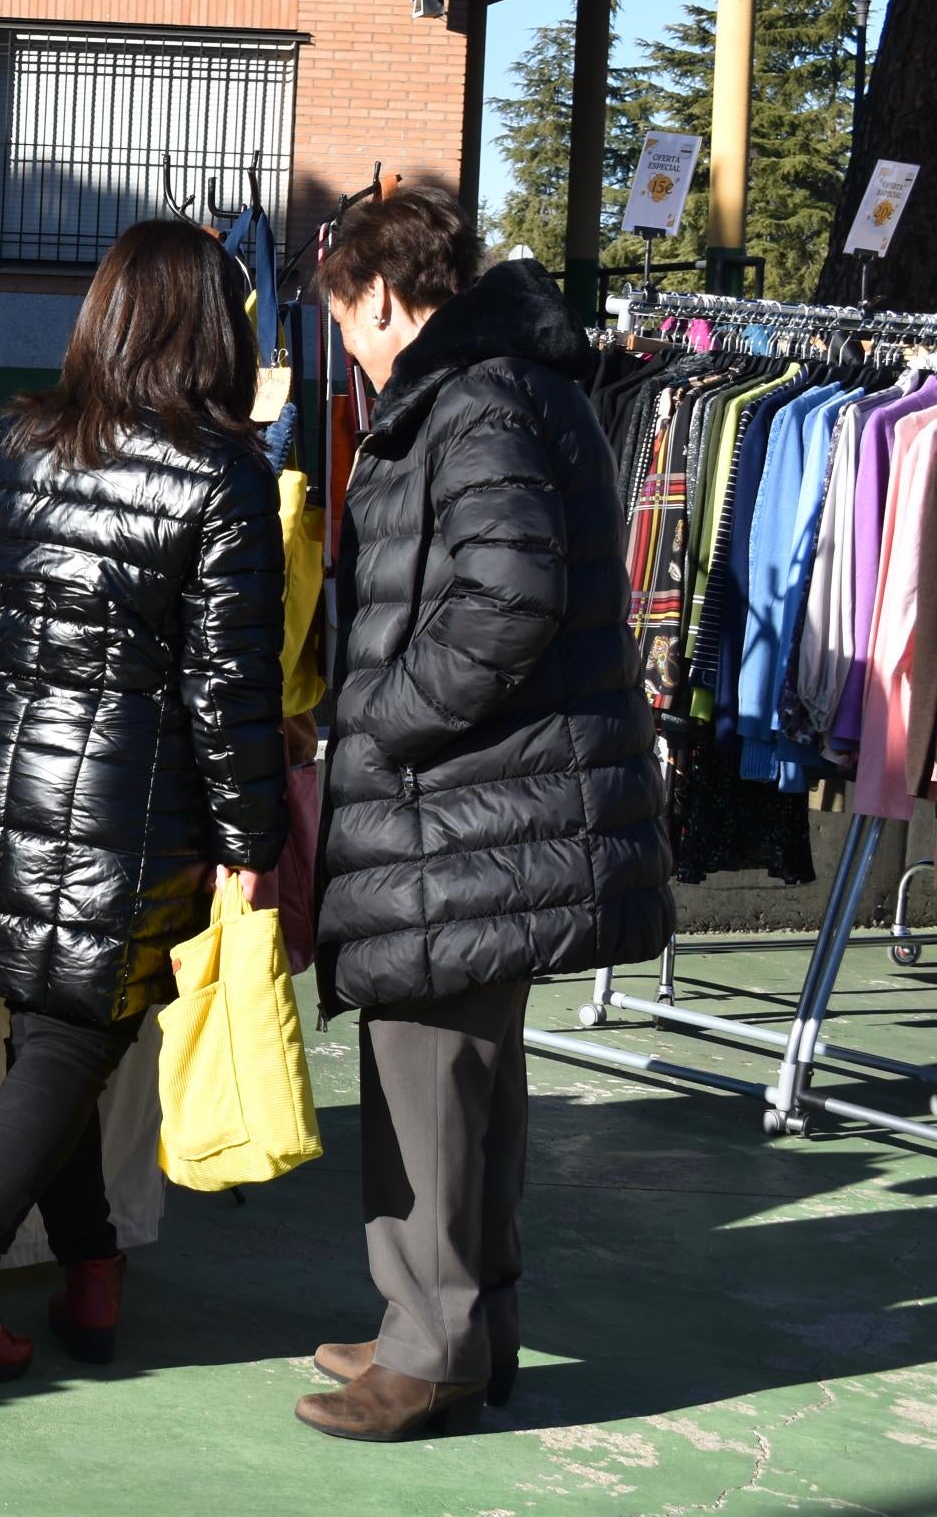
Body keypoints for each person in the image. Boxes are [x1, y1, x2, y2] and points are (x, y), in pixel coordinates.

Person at [300, 185, 669, 1442]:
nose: (348, 345)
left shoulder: (474, 398)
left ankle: (434, 1344)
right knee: (463, 1075)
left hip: (460, 804)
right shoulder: (508, 385)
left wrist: (386, 719)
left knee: (430, 1072)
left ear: (388, 300)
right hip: (488, 806)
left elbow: (503, 601)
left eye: (348, 318)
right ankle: (455, 1320)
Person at [0, 219, 287, 1383]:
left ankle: (93, 1275)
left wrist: (37, 669)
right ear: (212, 328)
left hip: (16, 767)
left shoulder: (23, 435)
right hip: (138, 801)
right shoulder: (225, 473)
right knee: (68, 1041)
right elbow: (229, 684)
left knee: (47, 1031)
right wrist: (253, 839)